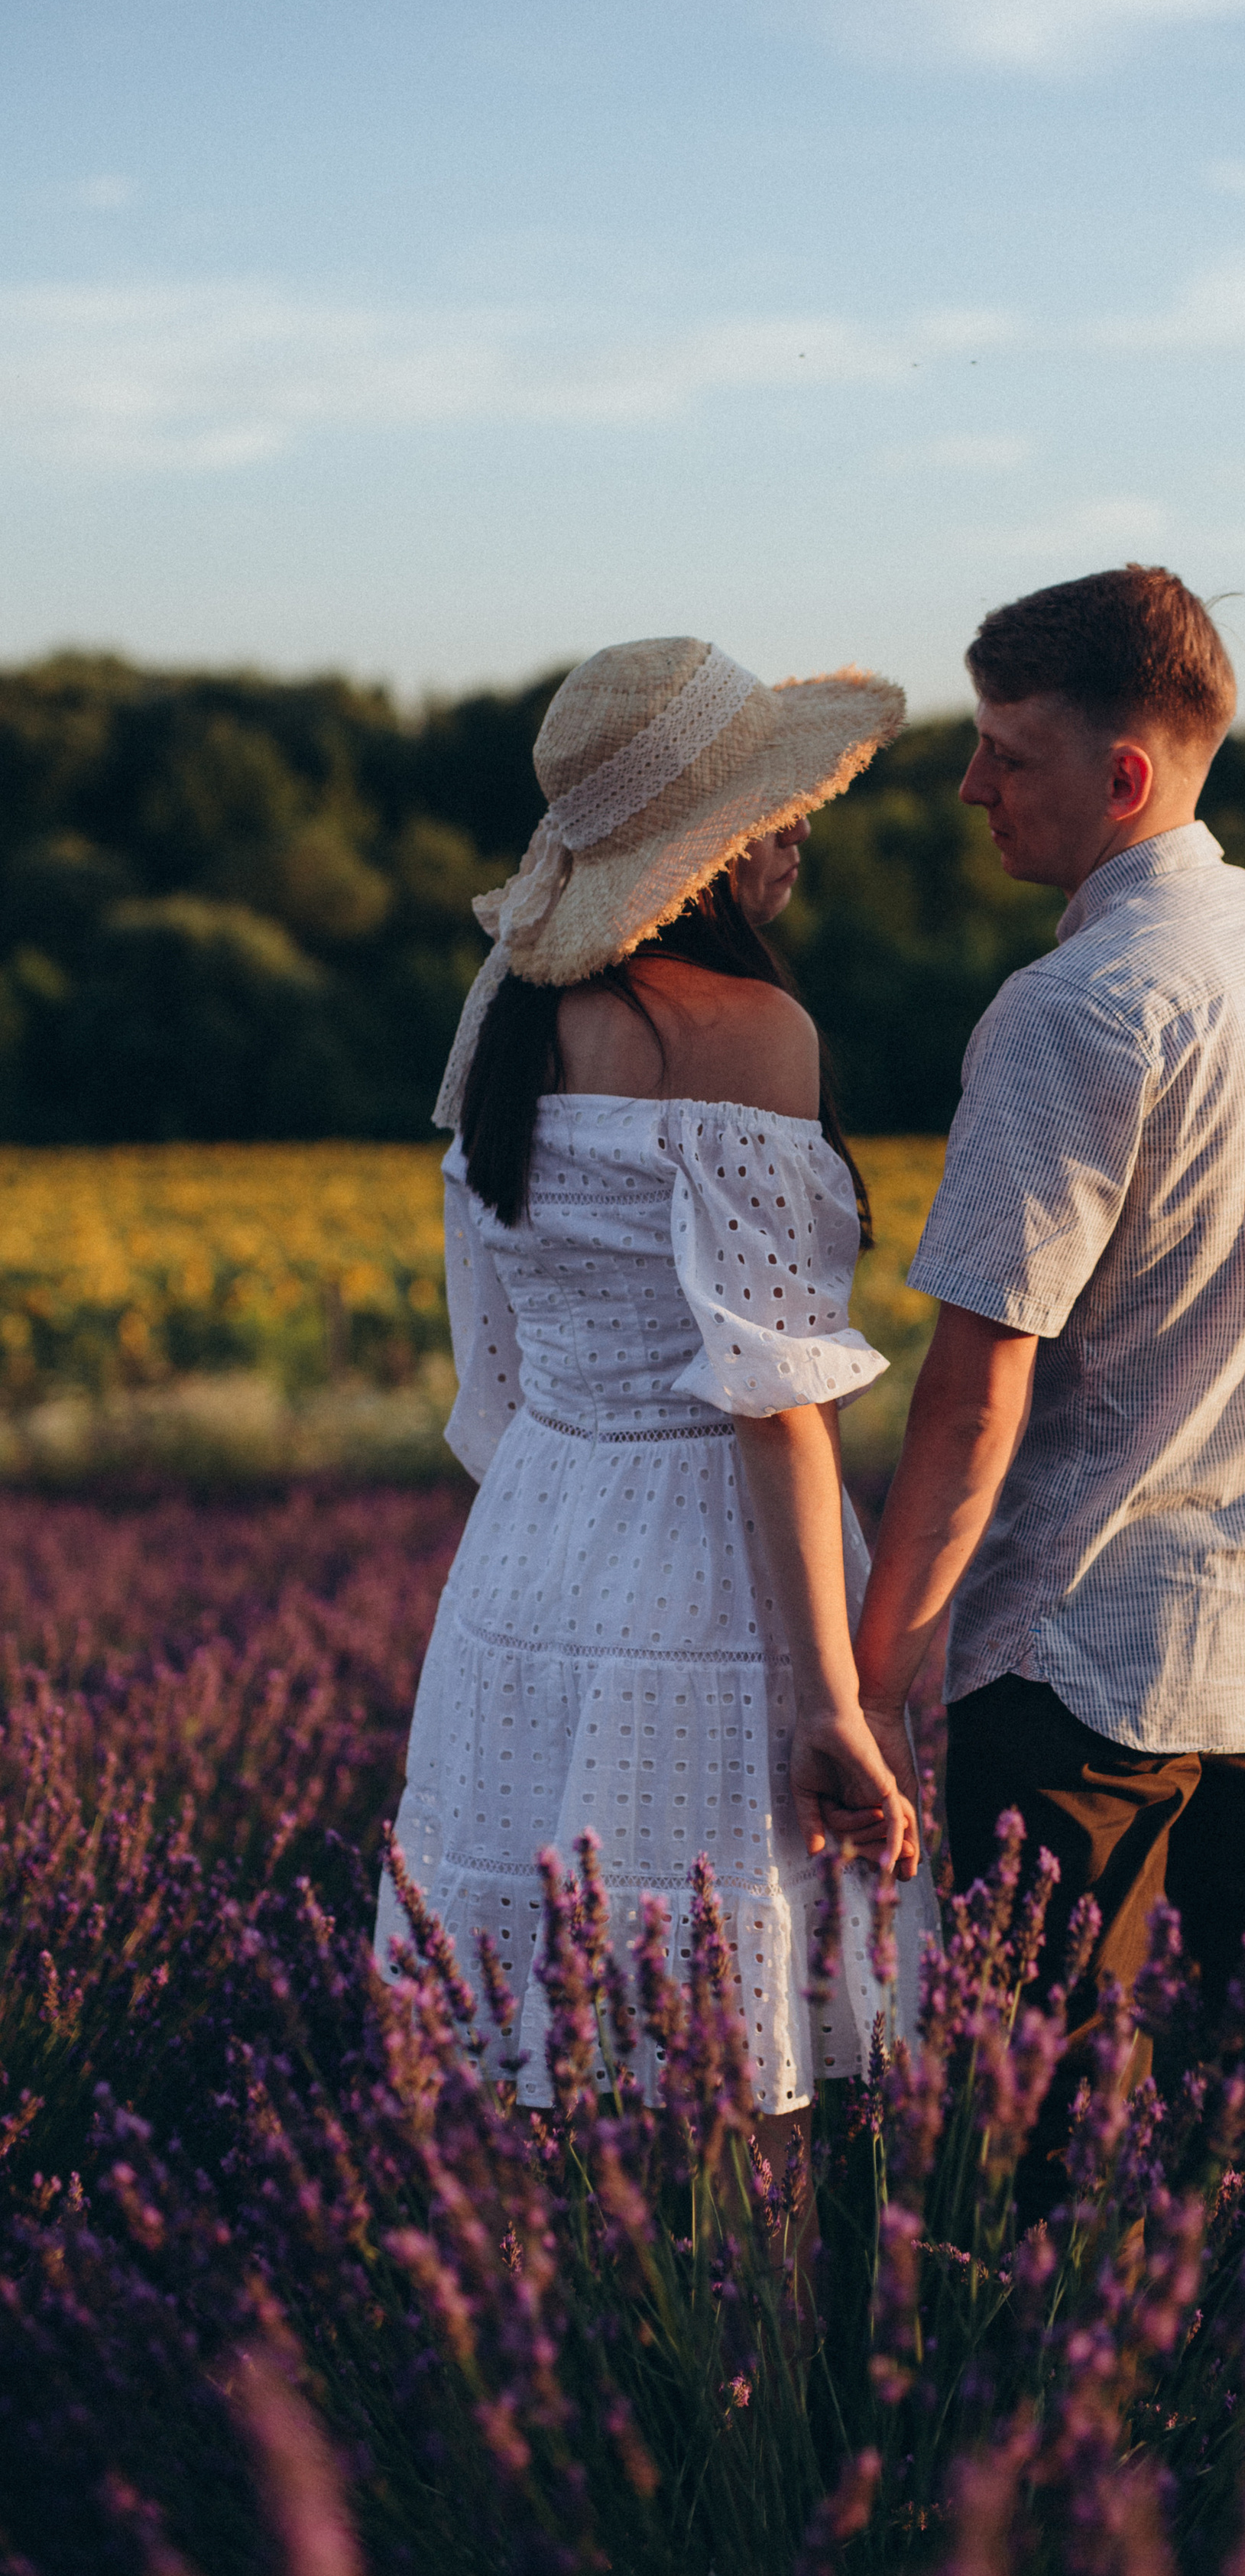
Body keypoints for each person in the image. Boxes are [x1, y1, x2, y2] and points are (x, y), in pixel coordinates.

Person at [852, 565, 1245, 2203]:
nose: (968, 787)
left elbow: (973, 1390)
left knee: (1031, 2123)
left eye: (1001, 752)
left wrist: (884, 1670)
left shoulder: (1069, 1009)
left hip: (1086, 1645)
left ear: (1121, 775)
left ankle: (1027, 2429)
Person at [376, 635, 934, 2190]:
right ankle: (730, 2421)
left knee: (528, 2059)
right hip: (704, 1568)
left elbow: (486, 1359)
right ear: (702, 852)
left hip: (529, 1543)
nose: (796, 832)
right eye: (771, 808)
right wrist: (836, 1703)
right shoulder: (745, 1035)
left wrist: (562, 1482)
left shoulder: (503, 1031)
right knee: (732, 2076)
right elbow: (771, 1398)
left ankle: (531, 2405)